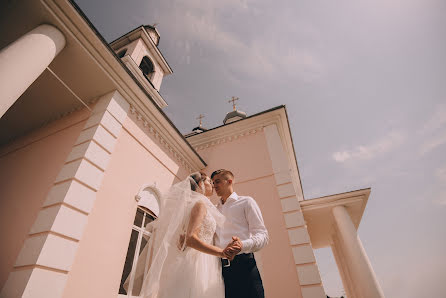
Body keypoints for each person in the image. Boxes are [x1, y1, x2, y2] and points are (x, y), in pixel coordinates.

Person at [131, 172, 233, 298]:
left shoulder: (195, 204)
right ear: (200, 184)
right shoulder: (200, 204)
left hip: (204, 260)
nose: (212, 184)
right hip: (197, 262)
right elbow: (191, 238)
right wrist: (221, 252)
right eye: (208, 181)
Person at [211, 169, 269, 298]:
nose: (214, 185)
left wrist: (242, 245)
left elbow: (263, 235)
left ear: (229, 181)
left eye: (218, 181)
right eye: (213, 182)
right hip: (220, 272)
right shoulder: (213, 210)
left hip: (245, 267)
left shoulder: (246, 202)